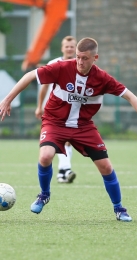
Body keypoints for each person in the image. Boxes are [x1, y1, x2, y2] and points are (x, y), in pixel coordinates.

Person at [0, 37, 137, 222]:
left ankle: (119, 209)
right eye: (78, 57)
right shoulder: (62, 67)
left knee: (106, 166)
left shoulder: (102, 78)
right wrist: (7, 99)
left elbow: (131, 97)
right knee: (45, 156)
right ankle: (44, 195)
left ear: (95, 58)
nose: (79, 61)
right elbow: (30, 76)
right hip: (55, 122)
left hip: (83, 127)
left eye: (85, 58)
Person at [35, 36, 77, 184]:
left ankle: (62, 173)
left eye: (72, 46)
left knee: (68, 140)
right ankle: (65, 170)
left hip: (73, 109)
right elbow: (44, 86)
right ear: (62, 48)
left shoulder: (81, 64)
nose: (70, 49)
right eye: (67, 46)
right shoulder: (54, 64)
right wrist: (40, 106)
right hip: (54, 109)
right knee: (62, 139)